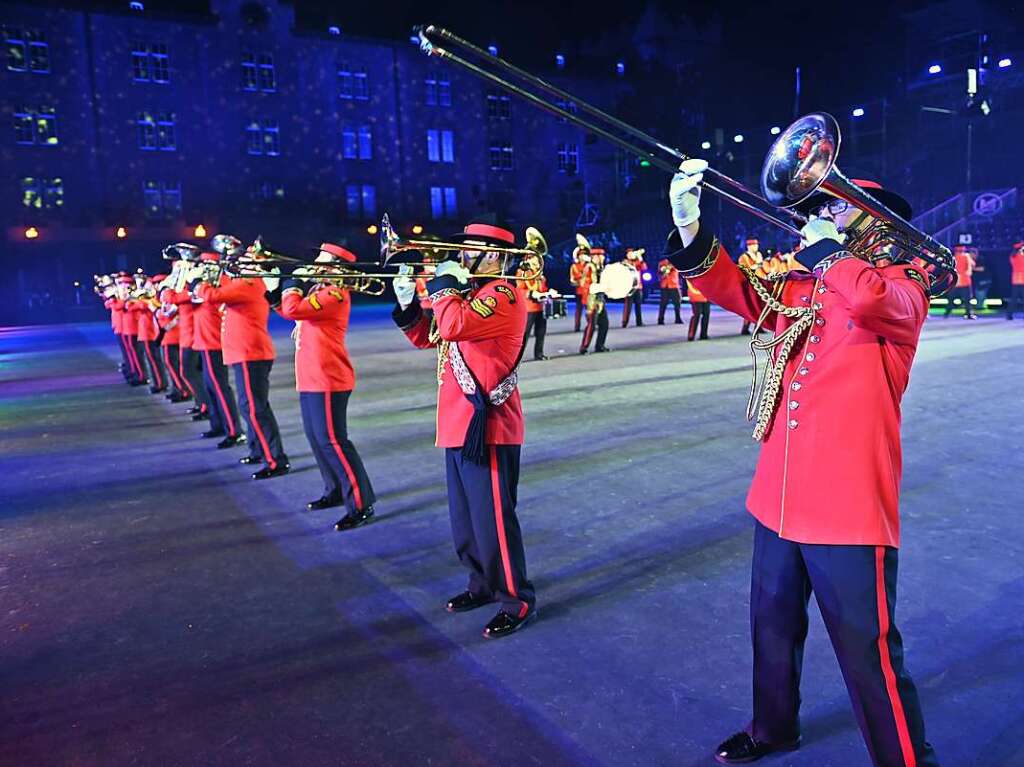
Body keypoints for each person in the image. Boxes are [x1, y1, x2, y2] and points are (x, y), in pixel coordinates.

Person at [667, 158, 940, 766]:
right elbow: (738, 293)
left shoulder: (904, 283)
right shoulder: (810, 283)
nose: (817, 218)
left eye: (832, 207)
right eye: (817, 209)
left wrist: (827, 255)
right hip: (779, 492)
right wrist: (691, 231)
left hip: (846, 503)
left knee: (867, 651)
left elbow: (872, 305)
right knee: (771, 625)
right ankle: (773, 728)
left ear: (875, 225)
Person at [392, 221, 537, 639]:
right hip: (458, 422)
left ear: (494, 254)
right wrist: (408, 307)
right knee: (465, 520)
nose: (462, 256)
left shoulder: (503, 295)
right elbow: (432, 335)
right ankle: (481, 583)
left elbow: (455, 325)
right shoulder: (469, 295)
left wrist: (441, 286)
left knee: (493, 520)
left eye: (471, 249)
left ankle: (516, 596)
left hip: (488, 424)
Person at [274, 244, 377, 530]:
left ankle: (360, 502)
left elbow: (294, 308)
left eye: (322, 257)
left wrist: (292, 283)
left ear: (335, 265)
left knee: (333, 441)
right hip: (310, 376)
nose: (315, 260)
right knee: (316, 438)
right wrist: (274, 290)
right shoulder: (319, 290)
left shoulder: (334, 294)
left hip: (329, 377)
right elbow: (289, 310)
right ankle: (334, 490)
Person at [196, 247, 289, 479]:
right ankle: (259, 450)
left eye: (246, 260)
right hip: (244, 352)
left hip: (251, 352)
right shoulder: (243, 281)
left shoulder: (251, 283)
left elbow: (213, 296)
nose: (240, 264)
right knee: (251, 408)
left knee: (255, 409)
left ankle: (274, 459)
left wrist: (196, 282)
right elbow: (223, 286)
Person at [187, 252, 244, 448]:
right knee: (210, 387)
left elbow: (213, 298)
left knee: (220, 388)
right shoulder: (204, 284)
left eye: (207, 264)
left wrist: (199, 284)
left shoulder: (224, 281)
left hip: (214, 341)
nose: (203, 267)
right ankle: (218, 423)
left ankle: (234, 431)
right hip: (203, 340)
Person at [124, 275, 167, 395]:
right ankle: (158, 382)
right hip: (145, 331)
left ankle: (160, 383)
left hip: (150, 332)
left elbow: (136, 306)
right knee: (151, 359)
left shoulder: (153, 299)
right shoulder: (146, 299)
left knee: (154, 359)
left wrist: (139, 298)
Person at [153, 275, 191, 403]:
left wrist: (158, 312)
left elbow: (169, 313)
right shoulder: (163, 297)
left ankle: (183, 390)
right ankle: (177, 389)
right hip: (170, 335)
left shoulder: (170, 296)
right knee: (172, 365)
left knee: (173, 364)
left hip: (172, 335)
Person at [518, 252, 556, 361]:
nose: (537, 260)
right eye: (534, 258)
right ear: (528, 259)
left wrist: (549, 292)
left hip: (540, 306)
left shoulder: (539, 273)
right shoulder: (523, 272)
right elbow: (520, 289)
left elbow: (542, 288)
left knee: (541, 331)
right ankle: (517, 357)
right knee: (525, 334)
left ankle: (539, 353)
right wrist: (531, 293)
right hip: (529, 307)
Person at [579, 247, 611, 354]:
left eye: (602, 256)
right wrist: (600, 287)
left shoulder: (601, 268)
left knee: (604, 324)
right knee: (591, 325)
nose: (603, 258)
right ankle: (584, 347)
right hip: (591, 300)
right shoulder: (589, 268)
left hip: (600, 299)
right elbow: (584, 284)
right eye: (600, 256)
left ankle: (600, 345)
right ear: (595, 257)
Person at [737, 239, 764, 334]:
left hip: (759, 283)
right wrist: (757, 265)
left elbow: (762, 268)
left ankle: (759, 326)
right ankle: (745, 327)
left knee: (760, 305)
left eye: (757, 245)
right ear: (749, 246)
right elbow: (744, 270)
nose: (756, 247)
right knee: (750, 306)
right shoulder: (744, 257)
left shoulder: (759, 255)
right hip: (749, 284)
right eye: (754, 245)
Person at [944, 245, 975, 319]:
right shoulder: (966, 257)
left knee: (951, 299)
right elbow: (972, 266)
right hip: (964, 280)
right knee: (967, 299)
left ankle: (947, 313)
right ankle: (968, 314)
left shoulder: (952, 258)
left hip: (954, 281)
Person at [569, 235, 592, 331]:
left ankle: (591, 325)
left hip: (589, 291)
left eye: (584, 255)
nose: (582, 257)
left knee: (590, 309)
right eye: (581, 255)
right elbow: (572, 280)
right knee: (578, 310)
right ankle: (577, 326)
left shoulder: (590, 266)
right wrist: (579, 281)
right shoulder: (574, 266)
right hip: (579, 291)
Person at [621, 247, 648, 327]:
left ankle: (639, 322)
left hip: (638, 287)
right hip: (629, 287)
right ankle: (624, 322)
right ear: (627, 255)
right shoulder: (625, 262)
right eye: (629, 254)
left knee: (638, 305)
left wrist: (640, 258)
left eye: (632, 253)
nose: (630, 255)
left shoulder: (638, 262)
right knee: (628, 306)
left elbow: (644, 268)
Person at [657, 257, 683, 324]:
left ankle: (678, 318)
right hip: (665, 285)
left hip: (674, 285)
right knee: (663, 304)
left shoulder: (676, 262)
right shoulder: (662, 263)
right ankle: (660, 319)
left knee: (677, 303)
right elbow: (659, 273)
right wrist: (664, 270)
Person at [1006, 240, 1024, 319]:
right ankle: (1009, 314)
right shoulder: (1020, 256)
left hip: (1016, 279)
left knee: (1014, 298)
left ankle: (1009, 314)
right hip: (1022, 279)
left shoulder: (1012, 256)